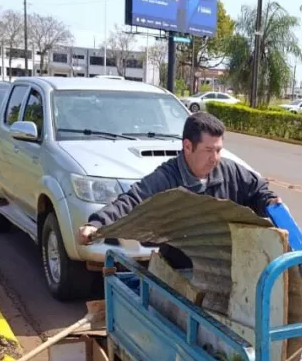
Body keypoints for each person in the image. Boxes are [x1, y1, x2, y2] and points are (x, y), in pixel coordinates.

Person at [77, 111, 280, 269]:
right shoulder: (167, 177)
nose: (215, 158)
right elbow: (132, 200)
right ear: (188, 146)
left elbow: (258, 190)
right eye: (208, 150)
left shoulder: (230, 171)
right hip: (180, 270)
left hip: (226, 266)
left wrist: (269, 202)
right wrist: (97, 224)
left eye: (219, 150)